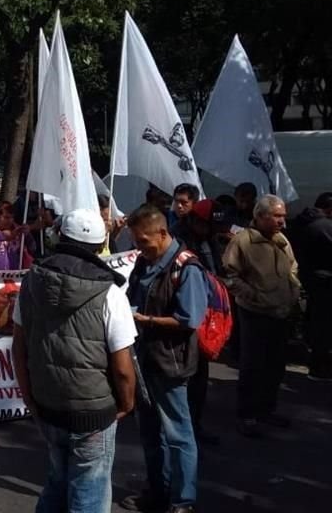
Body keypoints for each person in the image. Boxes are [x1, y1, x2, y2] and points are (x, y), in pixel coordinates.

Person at [12, 208, 137, 513]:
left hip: (47, 404)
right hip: (93, 412)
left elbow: (19, 347)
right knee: (89, 492)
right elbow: (123, 368)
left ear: (59, 237)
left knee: (57, 480)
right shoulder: (110, 294)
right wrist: (127, 404)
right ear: (100, 245)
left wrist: (30, 398)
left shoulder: (30, 282)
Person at [121, 205, 205, 513]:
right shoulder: (144, 262)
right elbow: (131, 297)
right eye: (136, 241)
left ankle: (183, 501)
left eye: (143, 240)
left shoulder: (187, 267)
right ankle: (157, 490)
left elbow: (189, 319)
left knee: (178, 434)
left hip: (171, 361)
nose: (139, 247)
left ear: (163, 232)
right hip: (143, 360)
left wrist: (148, 321)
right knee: (149, 433)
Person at [222, 194, 300, 437]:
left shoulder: (281, 240)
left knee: (275, 365)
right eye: (277, 216)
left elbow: (292, 267)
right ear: (260, 216)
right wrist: (255, 296)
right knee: (252, 365)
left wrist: (293, 288)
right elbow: (230, 276)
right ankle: (247, 415)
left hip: (281, 312)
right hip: (255, 313)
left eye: (283, 217)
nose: (282, 222)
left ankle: (267, 409)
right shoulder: (243, 242)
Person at [170, 198, 226, 446]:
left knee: (200, 375)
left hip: (207, 314)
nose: (210, 230)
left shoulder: (209, 239)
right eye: (206, 225)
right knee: (186, 377)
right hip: (185, 315)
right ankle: (182, 430)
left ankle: (195, 424)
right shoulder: (178, 243)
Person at [289, 192, 332, 381]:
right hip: (325, 282)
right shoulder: (324, 226)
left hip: (308, 278)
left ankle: (316, 363)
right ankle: (320, 367)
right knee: (324, 326)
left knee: (316, 322)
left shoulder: (300, 222)